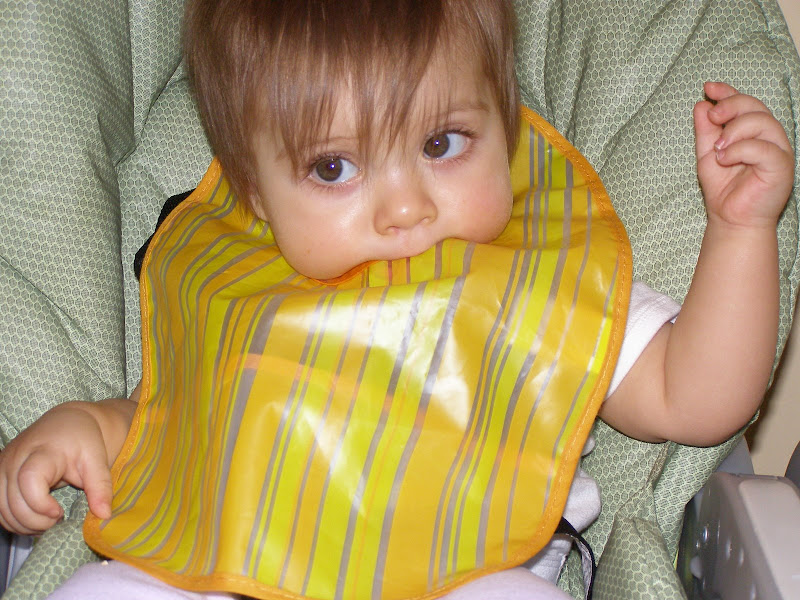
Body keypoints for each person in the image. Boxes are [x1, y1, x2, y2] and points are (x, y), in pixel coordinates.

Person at [0, 0, 793, 599]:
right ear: (256, 193)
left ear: (506, 130)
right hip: (232, 573)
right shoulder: (236, 292)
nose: (406, 207)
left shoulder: (540, 285)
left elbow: (697, 398)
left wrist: (740, 230)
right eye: (334, 168)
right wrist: (93, 426)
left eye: (441, 144)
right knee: (101, 588)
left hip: (467, 577)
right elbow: (173, 424)